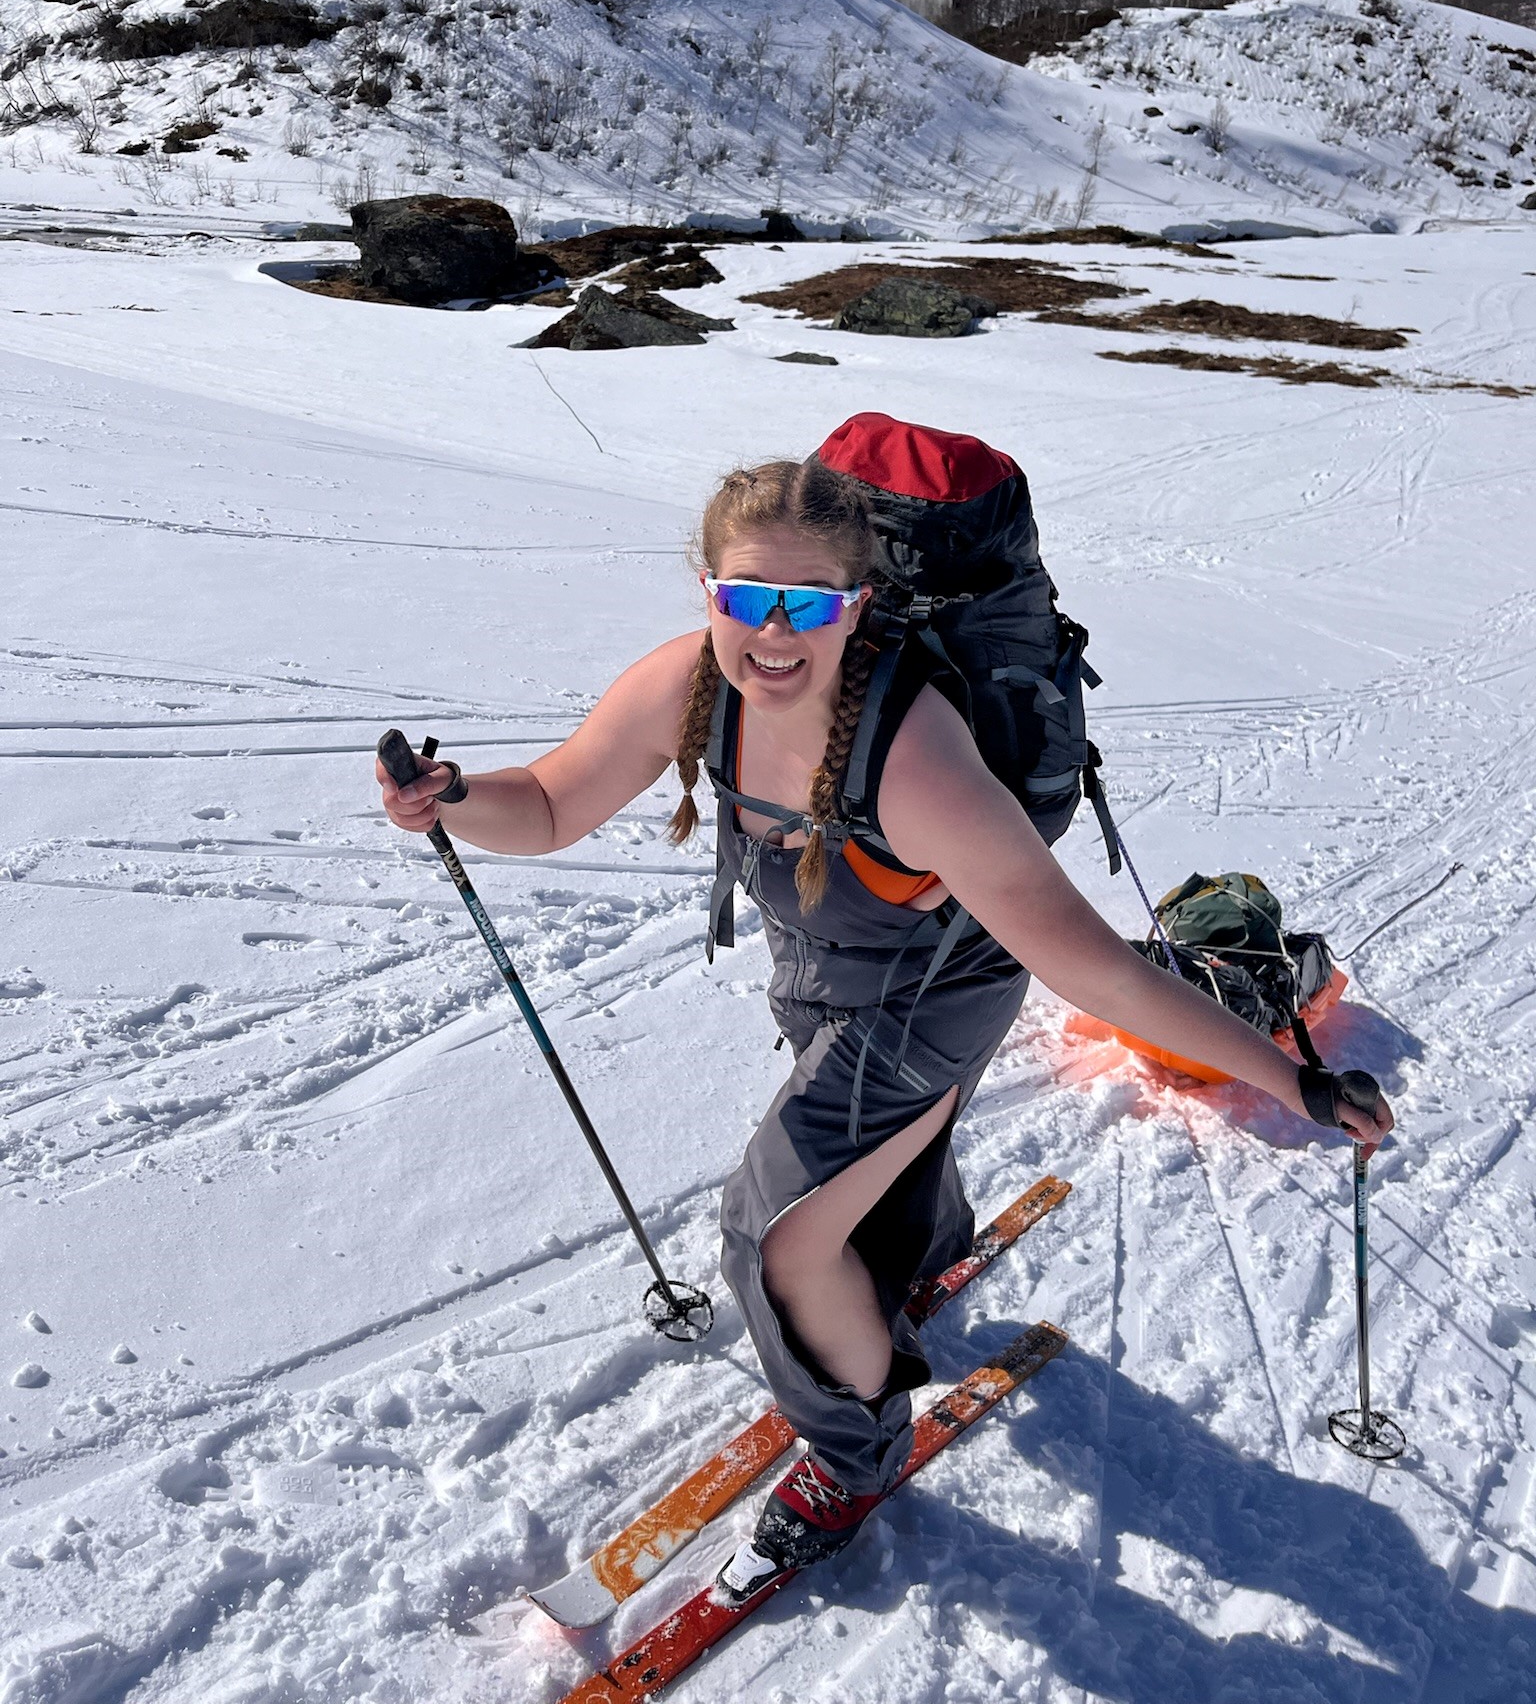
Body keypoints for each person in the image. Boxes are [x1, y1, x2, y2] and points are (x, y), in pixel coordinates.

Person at [377, 454, 1393, 1602]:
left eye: (807, 603)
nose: (773, 631)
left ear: (855, 605)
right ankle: (903, 1257)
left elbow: (1097, 970)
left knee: (775, 1232)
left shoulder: (918, 765)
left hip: (934, 999)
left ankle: (856, 1451)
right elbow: (556, 800)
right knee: (865, 1162)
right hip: (821, 978)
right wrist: (457, 797)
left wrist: (1290, 1077)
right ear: (708, 586)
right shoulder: (688, 688)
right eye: (746, 595)